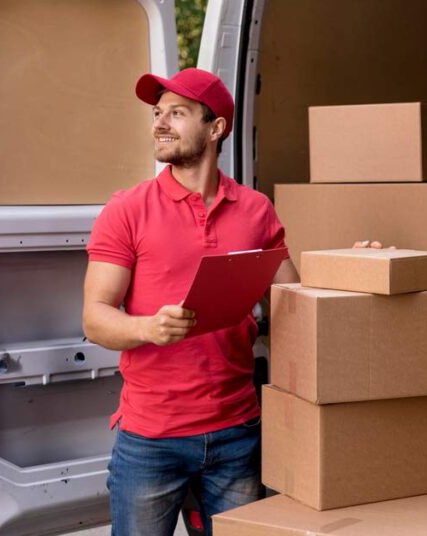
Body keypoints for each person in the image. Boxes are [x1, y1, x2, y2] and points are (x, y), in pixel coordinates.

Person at [82, 68, 299, 536]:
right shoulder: (127, 209)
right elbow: (95, 319)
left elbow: (294, 302)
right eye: (157, 113)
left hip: (237, 433)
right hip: (150, 440)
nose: (159, 123)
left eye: (177, 114)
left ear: (216, 127)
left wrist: (355, 267)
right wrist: (147, 328)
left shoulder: (256, 210)